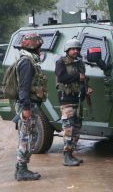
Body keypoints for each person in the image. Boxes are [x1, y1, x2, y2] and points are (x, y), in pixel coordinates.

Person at [14, 33, 47, 181]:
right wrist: (26, 108)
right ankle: (22, 170)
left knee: (27, 136)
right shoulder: (27, 63)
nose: (40, 49)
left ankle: (20, 168)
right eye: (39, 46)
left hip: (31, 105)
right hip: (29, 105)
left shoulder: (28, 60)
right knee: (27, 138)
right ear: (34, 46)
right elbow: (24, 88)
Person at [55, 38, 93, 166]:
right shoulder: (61, 62)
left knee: (76, 129)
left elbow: (83, 81)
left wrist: (86, 88)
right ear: (67, 50)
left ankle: (71, 154)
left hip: (78, 100)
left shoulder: (79, 63)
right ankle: (66, 156)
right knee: (68, 129)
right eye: (73, 49)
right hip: (66, 100)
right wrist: (78, 76)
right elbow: (61, 77)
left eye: (77, 49)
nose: (75, 51)